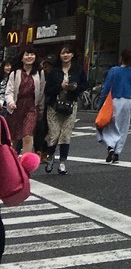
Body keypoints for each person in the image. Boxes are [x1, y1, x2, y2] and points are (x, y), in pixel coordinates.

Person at [42, 45, 88, 175]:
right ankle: (50, 157)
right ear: (60, 56)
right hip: (54, 107)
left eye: (68, 53)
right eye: (63, 53)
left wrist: (75, 88)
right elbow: (48, 90)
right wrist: (60, 86)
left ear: (72, 55)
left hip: (70, 106)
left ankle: (62, 163)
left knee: (66, 134)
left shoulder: (78, 70)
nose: (65, 55)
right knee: (54, 133)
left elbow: (85, 84)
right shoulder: (54, 71)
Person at [96, 47, 131, 163]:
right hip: (127, 101)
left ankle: (110, 147)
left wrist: (101, 103)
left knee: (110, 125)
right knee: (123, 127)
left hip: (114, 100)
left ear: (121, 58)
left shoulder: (114, 70)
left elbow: (106, 88)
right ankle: (117, 152)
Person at [3, 47, 45, 153]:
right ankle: (12, 162)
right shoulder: (15, 73)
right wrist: (11, 102)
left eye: (32, 54)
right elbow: (9, 91)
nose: (29, 57)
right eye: (26, 54)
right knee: (13, 137)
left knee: (27, 135)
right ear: (22, 58)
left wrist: (40, 110)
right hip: (16, 107)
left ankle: (26, 164)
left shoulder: (40, 73)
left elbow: (41, 93)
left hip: (31, 107)